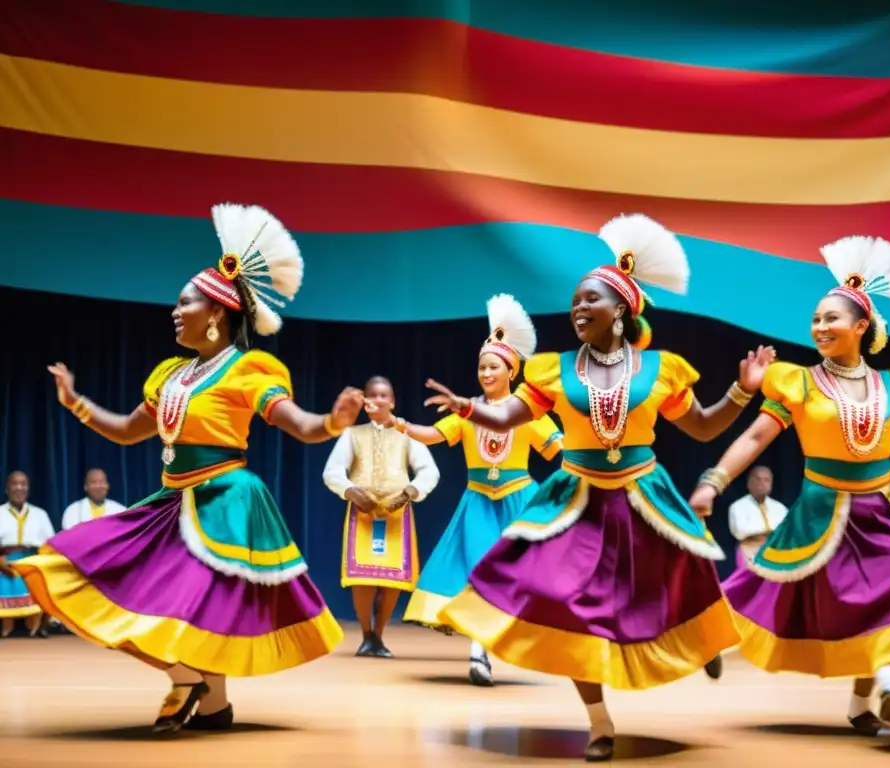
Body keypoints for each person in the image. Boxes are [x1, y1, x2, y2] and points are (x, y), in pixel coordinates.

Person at [423, 213, 775, 762]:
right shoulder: (551, 370)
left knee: (679, 577)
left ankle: (704, 640)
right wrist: (469, 407)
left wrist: (741, 390)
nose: (578, 308)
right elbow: (508, 416)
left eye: (591, 299)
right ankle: (599, 722)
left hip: (641, 494)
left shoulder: (660, 369)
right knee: (570, 607)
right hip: (578, 498)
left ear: (621, 312)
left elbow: (703, 426)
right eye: (575, 300)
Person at [12, 203, 364, 734]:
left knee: (202, 604)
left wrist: (332, 422)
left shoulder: (248, 369)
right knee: (99, 573)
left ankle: (187, 681)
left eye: (184, 303)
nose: (174, 313)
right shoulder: (173, 376)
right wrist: (76, 403)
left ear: (216, 313)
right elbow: (131, 430)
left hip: (225, 500)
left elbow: (299, 424)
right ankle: (213, 701)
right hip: (172, 499)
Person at [689, 235, 890, 735]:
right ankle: (709, 636)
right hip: (821, 511)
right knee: (765, 590)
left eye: (831, 319)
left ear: (861, 326)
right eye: (816, 319)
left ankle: (877, 689)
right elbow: (756, 437)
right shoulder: (795, 381)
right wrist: (713, 481)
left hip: (884, 508)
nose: (820, 327)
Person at [389, 294, 563, 686]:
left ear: (511, 371)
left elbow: (559, 450)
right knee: (477, 572)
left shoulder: (528, 412)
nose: (485, 373)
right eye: (481, 366)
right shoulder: (468, 412)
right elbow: (434, 434)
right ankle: (478, 652)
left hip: (519, 502)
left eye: (493, 366)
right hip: (479, 503)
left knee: (520, 577)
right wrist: (399, 423)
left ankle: (512, 644)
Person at [323, 375, 441, 659]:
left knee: (392, 579)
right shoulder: (353, 434)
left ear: (393, 401)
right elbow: (332, 472)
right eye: (372, 395)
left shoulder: (406, 433)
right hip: (362, 515)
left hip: (396, 515)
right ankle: (366, 635)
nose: (378, 400)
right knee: (362, 578)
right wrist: (351, 491)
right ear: (364, 403)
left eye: (384, 395)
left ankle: (379, 635)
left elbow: (429, 471)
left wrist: (410, 492)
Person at [0, 471, 54, 638]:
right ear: (7, 489)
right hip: (4, 562)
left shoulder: (40, 514)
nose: (19, 488)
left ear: (28, 489)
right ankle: (5, 627)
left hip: (33, 562)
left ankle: (38, 626)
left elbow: (50, 545)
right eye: (15, 484)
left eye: (23, 484)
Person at [727, 466, 788, 569]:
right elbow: (740, 532)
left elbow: (787, 531)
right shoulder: (738, 506)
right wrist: (770, 531)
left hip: (776, 551)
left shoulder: (780, 507)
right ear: (749, 483)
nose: (762, 483)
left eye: (766, 480)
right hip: (750, 550)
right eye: (758, 479)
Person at [61, 468, 127, 530]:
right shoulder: (73, 511)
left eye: (101, 482)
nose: (98, 486)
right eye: (93, 482)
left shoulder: (121, 511)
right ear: (85, 487)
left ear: (107, 486)